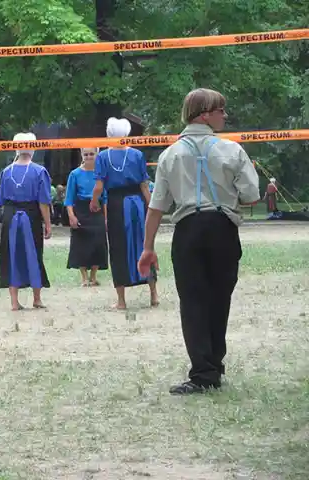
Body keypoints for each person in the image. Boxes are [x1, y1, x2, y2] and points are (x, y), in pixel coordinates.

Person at [138, 88, 260, 395]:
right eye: (221, 110)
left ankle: (203, 371)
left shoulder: (170, 154)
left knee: (193, 302)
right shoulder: (233, 150)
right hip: (222, 228)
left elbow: (156, 206)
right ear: (204, 114)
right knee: (220, 299)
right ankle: (214, 365)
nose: (225, 115)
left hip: (188, 229)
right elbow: (251, 196)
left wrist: (148, 247)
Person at [90, 117, 159, 310]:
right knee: (144, 245)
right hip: (137, 203)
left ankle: (121, 300)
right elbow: (145, 185)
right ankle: (153, 295)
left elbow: (98, 186)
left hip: (116, 205)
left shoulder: (103, 157)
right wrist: (151, 208)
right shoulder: (137, 154)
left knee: (118, 249)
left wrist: (94, 202)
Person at [0, 132, 53, 311]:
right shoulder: (39, 171)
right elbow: (43, 202)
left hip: (10, 216)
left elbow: (2, 202)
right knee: (34, 253)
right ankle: (37, 298)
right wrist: (48, 224)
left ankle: (14, 302)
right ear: (33, 147)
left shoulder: (6, 172)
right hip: (31, 215)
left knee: (11, 255)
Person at [65, 147, 109, 286]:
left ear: (97, 154)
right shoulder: (75, 174)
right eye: (86, 154)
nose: (89, 157)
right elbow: (69, 198)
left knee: (98, 242)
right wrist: (71, 216)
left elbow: (106, 197)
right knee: (80, 243)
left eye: (92, 154)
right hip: (81, 209)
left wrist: (106, 217)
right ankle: (84, 277)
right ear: (82, 155)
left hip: (98, 209)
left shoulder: (101, 173)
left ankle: (93, 276)